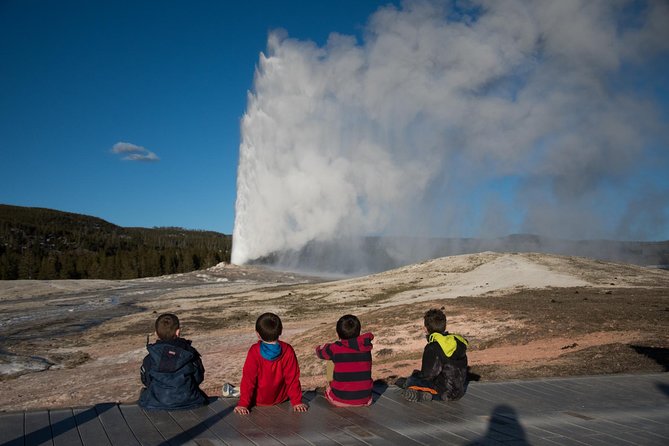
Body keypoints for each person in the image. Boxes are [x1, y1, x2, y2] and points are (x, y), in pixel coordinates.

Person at [234, 312, 308, 414]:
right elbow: (292, 379)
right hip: (281, 398)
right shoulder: (287, 350)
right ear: (281, 331)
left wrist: (243, 404)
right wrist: (297, 402)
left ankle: (235, 391)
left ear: (258, 334)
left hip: (258, 400)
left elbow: (248, 380)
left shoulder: (254, 351)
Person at [139, 313, 207, 410]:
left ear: (156, 333)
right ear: (178, 332)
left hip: (156, 403)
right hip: (190, 401)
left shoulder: (150, 357)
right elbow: (199, 377)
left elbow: (146, 380)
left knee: (143, 393)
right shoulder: (190, 354)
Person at [402, 308, 469, 402]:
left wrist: (415, 376)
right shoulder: (458, 342)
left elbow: (428, 374)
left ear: (425, 328)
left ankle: (423, 392)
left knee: (413, 378)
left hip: (443, 392)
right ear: (444, 325)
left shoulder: (433, 347)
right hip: (459, 391)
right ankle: (424, 393)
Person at [315, 314, 374, 406]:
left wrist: (322, 346)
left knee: (330, 361)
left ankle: (330, 386)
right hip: (365, 399)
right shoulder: (365, 346)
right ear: (358, 331)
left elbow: (319, 352)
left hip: (340, 400)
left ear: (338, 334)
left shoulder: (335, 348)